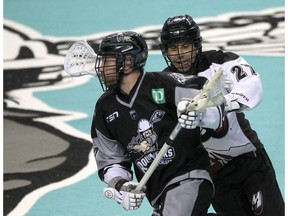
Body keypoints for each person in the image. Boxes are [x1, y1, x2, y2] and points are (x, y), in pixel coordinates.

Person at [159, 14, 284, 216]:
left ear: (196, 45)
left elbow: (251, 84)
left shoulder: (219, 62)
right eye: (173, 48)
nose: (179, 54)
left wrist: (225, 103)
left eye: (185, 46)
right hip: (214, 175)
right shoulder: (164, 84)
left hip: (249, 161)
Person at [90, 31, 224, 216]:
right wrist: (122, 186)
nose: (101, 67)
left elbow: (211, 98)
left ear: (127, 62)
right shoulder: (105, 108)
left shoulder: (163, 84)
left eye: (107, 60)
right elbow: (111, 161)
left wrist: (199, 114)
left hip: (189, 177)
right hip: (159, 195)